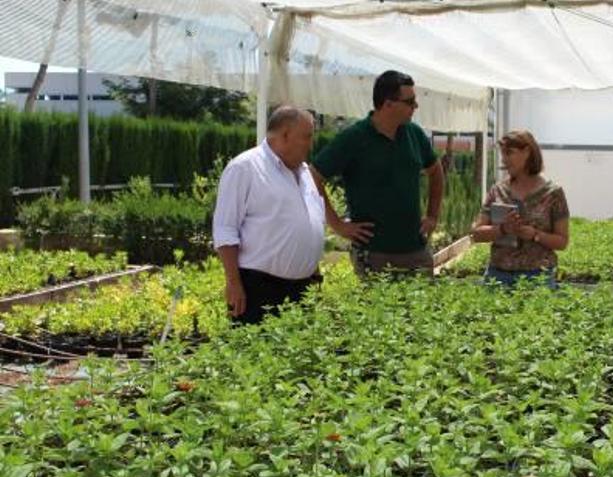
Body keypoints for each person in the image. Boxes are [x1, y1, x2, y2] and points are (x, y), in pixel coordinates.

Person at [311, 70, 444, 277]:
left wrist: (433, 215)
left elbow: (436, 172)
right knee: (378, 309)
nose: (415, 107)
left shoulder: (414, 134)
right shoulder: (354, 138)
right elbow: (314, 176)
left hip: (416, 250)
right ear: (388, 104)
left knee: (424, 307)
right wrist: (337, 225)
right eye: (410, 102)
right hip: (373, 253)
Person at [212, 106, 325, 324]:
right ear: (285, 135)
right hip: (259, 289)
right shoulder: (245, 168)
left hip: (302, 288)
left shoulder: (304, 172)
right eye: (307, 137)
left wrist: (313, 268)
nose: (311, 144)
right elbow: (225, 229)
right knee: (256, 354)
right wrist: (233, 283)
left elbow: (310, 222)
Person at [470, 130, 569, 288]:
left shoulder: (553, 194)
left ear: (528, 152)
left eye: (509, 153)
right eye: (503, 154)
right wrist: (503, 229)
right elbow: (476, 233)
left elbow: (562, 241)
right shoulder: (498, 191)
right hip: (499, 276)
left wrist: (535, 235)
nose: (504, 159)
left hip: (538, 278)